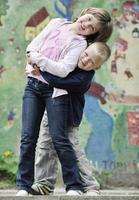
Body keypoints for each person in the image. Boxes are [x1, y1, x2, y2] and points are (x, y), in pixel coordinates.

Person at [16, 7, 113, 196]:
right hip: (37, 89)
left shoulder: (81, 49)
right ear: (85, 12)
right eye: (88, 19)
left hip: (63, 103)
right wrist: (34, 58)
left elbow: (61, 73)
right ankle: (39, 184)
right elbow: (34, 46)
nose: (86, 25)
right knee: (40, 141)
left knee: (65, 142)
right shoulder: (58, 24)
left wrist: (41, 66)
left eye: (92, 27)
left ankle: (84, 185)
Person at [32, 42, 111, 196]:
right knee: (45, 145)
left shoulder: (84, 78)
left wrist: (42, 72)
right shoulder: (70, 58)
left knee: (73, 149)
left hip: (69, 115)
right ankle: (44, 183)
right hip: (52, 110)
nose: (86, 60)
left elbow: (59, 81)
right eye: (86, 54)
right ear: (84, 50)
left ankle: (89, 185)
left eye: (92, 62)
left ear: (96, 67)